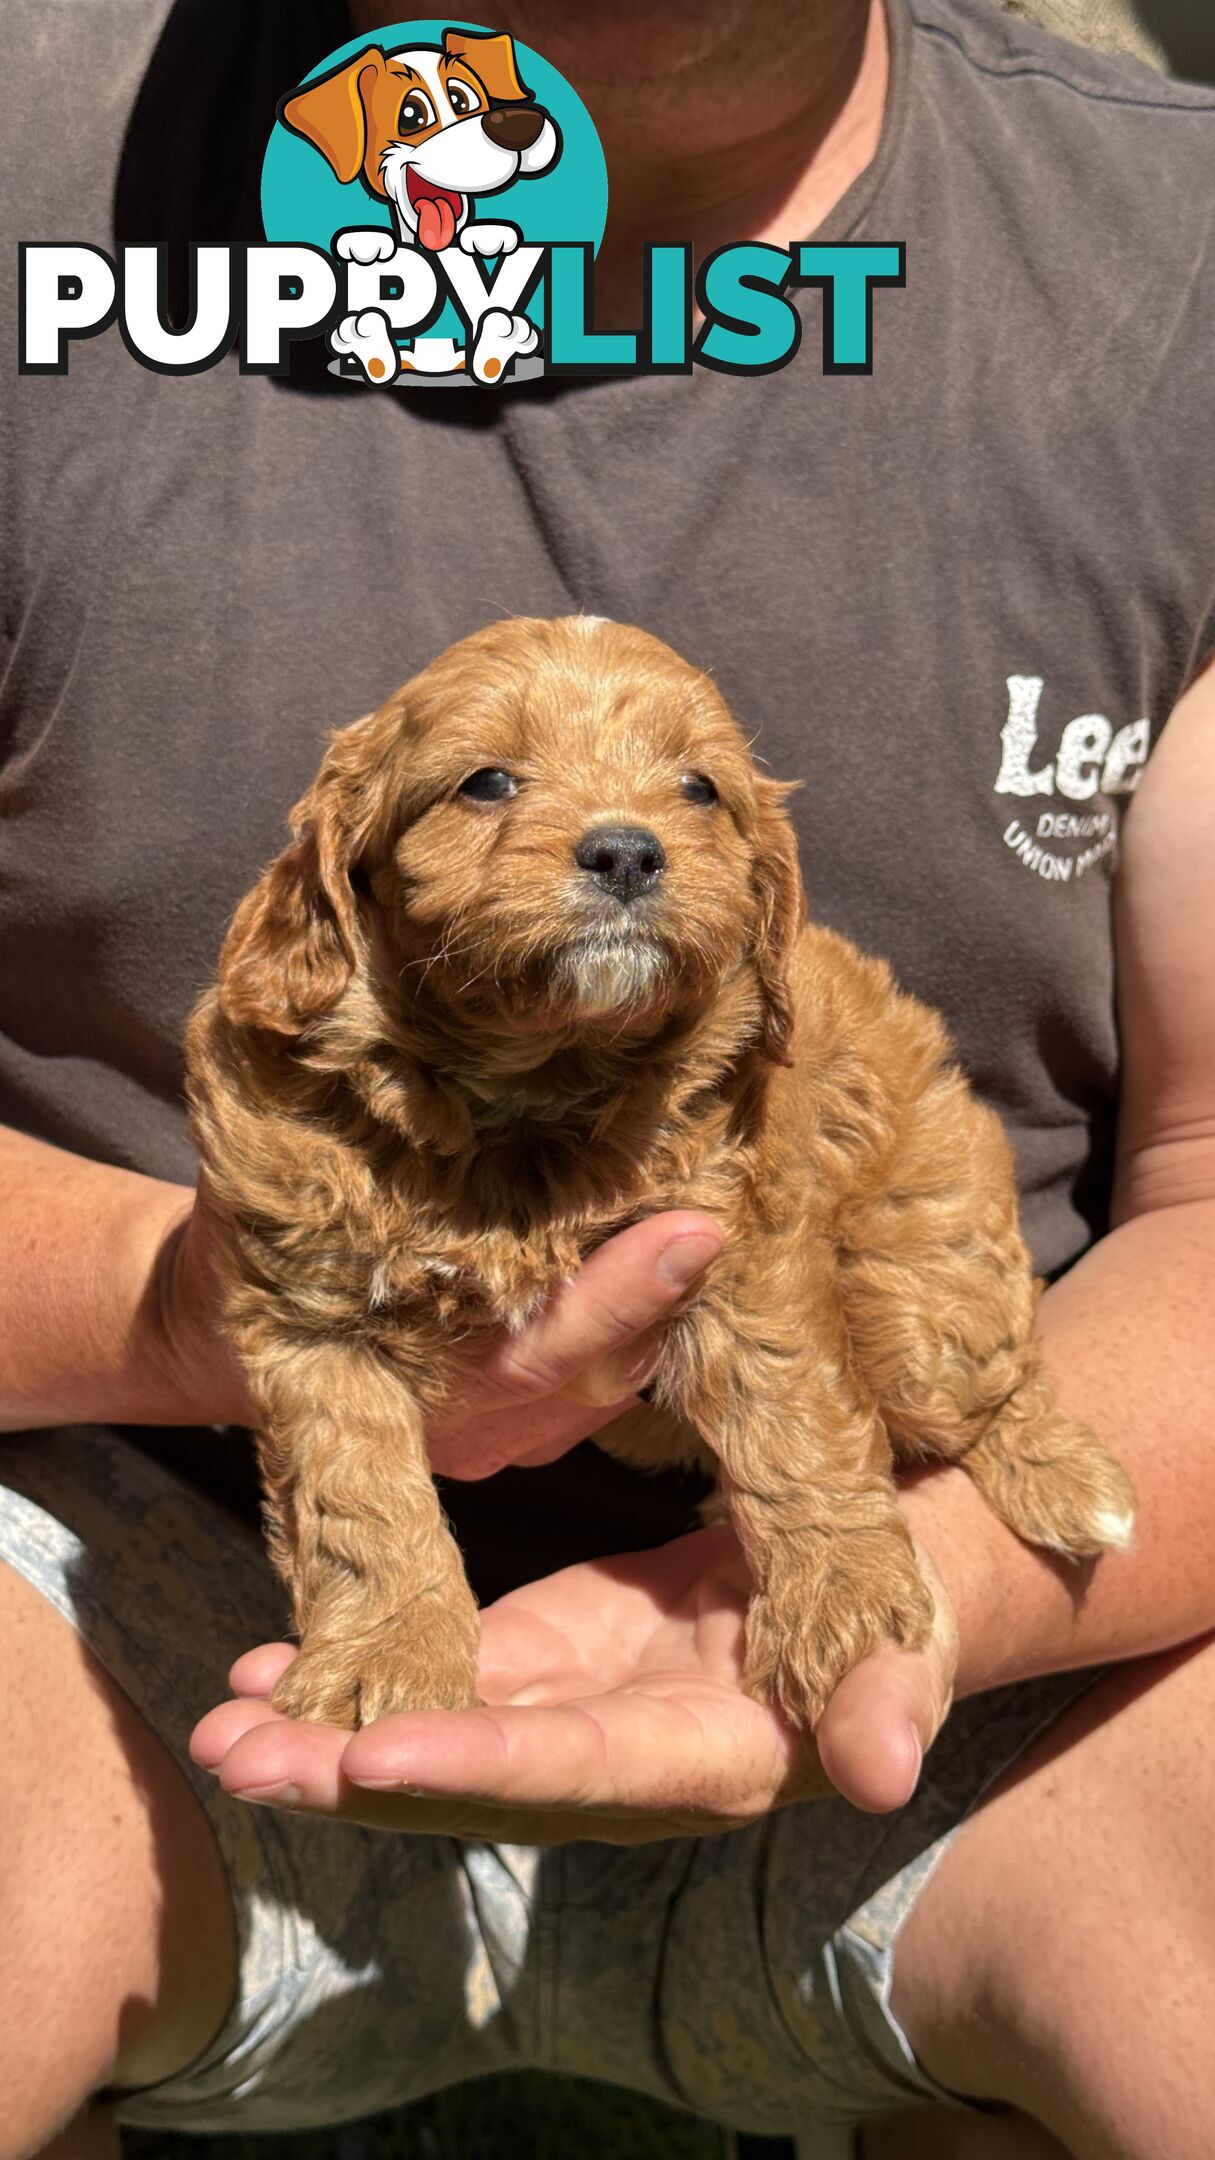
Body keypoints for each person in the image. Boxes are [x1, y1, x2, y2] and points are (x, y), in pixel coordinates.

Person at [1, 1, 1212, 2155]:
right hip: (116, 1570)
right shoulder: (30, 167)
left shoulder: (1174, 275)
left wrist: (897, 1589)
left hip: (999, 1638)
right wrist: (194, 1313)